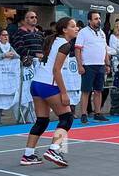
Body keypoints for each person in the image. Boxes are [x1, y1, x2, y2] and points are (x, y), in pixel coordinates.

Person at [21, 17, 78, 168]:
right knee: (67, 117)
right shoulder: (65, 45)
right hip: (48, 85)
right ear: (64, 30)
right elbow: (56, 70)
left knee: (42, 120)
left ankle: (28, 154)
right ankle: (54, 150)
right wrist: (64, 93)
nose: (76, 28)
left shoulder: (54, 41)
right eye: (73, 26)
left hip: (37, 83)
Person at [75, 10, 111, 122]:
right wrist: (80, 65)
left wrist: (107, 63)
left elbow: (105, 49)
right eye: (96, 18)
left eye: (99, 18)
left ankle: (97, 112)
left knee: (98, 90)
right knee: (86, 90)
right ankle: (84, 114)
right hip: (88, 65)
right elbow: (77, 49)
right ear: (89, 20)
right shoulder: (83, 32)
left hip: (100, 65)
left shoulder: (102, 33)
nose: (98, 20)